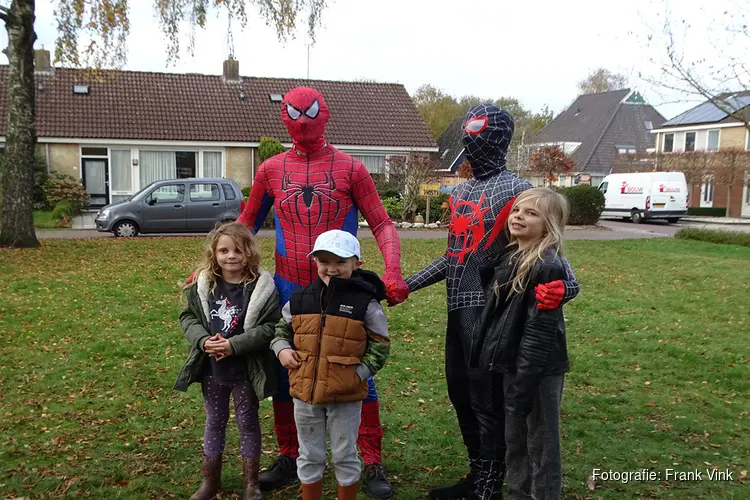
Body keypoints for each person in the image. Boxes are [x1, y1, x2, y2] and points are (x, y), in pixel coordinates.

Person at [238, 86, 405, 498]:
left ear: (325, 114)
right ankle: (291, 455)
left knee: (353, 364)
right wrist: (208, 267)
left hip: (342, 287)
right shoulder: (271, 169)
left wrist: (394, 270)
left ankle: (371, 458)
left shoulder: (350, 168)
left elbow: (382, 223)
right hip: (290, 286)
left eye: (309, 113)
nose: (302, 122)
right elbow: (244, 225)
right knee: (286, 369)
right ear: (283, 117)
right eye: (294, 114)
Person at [405, 104, 579, 499]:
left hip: (492, 312)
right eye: (469, 131)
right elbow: (455, 256)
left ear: (500, 137)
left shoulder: (520, 191)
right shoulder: (462, 190)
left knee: (487, 399)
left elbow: (558, 264)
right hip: (457, 307)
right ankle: (478, 475)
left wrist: (561, 290)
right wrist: (406, 285)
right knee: (461, 393)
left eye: (481, 132)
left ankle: (491, 485)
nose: (472, 140)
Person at [270, 230, 390, 500]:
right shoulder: (300, 300)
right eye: (325, 261)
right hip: (305, 395)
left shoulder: (366, 304)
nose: (332, 269)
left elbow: (380, 345)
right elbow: (280, 330)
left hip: (345, 397)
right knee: (309, 454)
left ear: (356, 264)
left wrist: (357, 374)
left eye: (341, 262)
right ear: (315, 262)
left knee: (344, 454)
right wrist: (282, 350)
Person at [469, 188, 571, 499]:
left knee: (541, 443)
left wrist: (525, 381)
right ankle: (517, 494)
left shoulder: (547, 265)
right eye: (516, 211)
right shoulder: (510, 256)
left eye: (531, 213)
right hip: (511, 363)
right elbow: (482, 266)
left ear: (549, 224)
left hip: (537, 369)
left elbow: (540, 333)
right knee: (515, 440)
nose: (518, 217)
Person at [174, 222, 281, 500]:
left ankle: (251, 483)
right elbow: (188, 317)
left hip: (246, 369)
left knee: (247, 422)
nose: (230, 256)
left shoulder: (262, 287)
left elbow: (270, 327)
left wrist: (234, 345)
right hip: (212, 370)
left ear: (249, 253)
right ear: (214, 253)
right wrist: (203, 340)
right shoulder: (204, 284)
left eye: (237, 250)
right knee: (215, 421)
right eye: (223, 250)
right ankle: (210, 481)